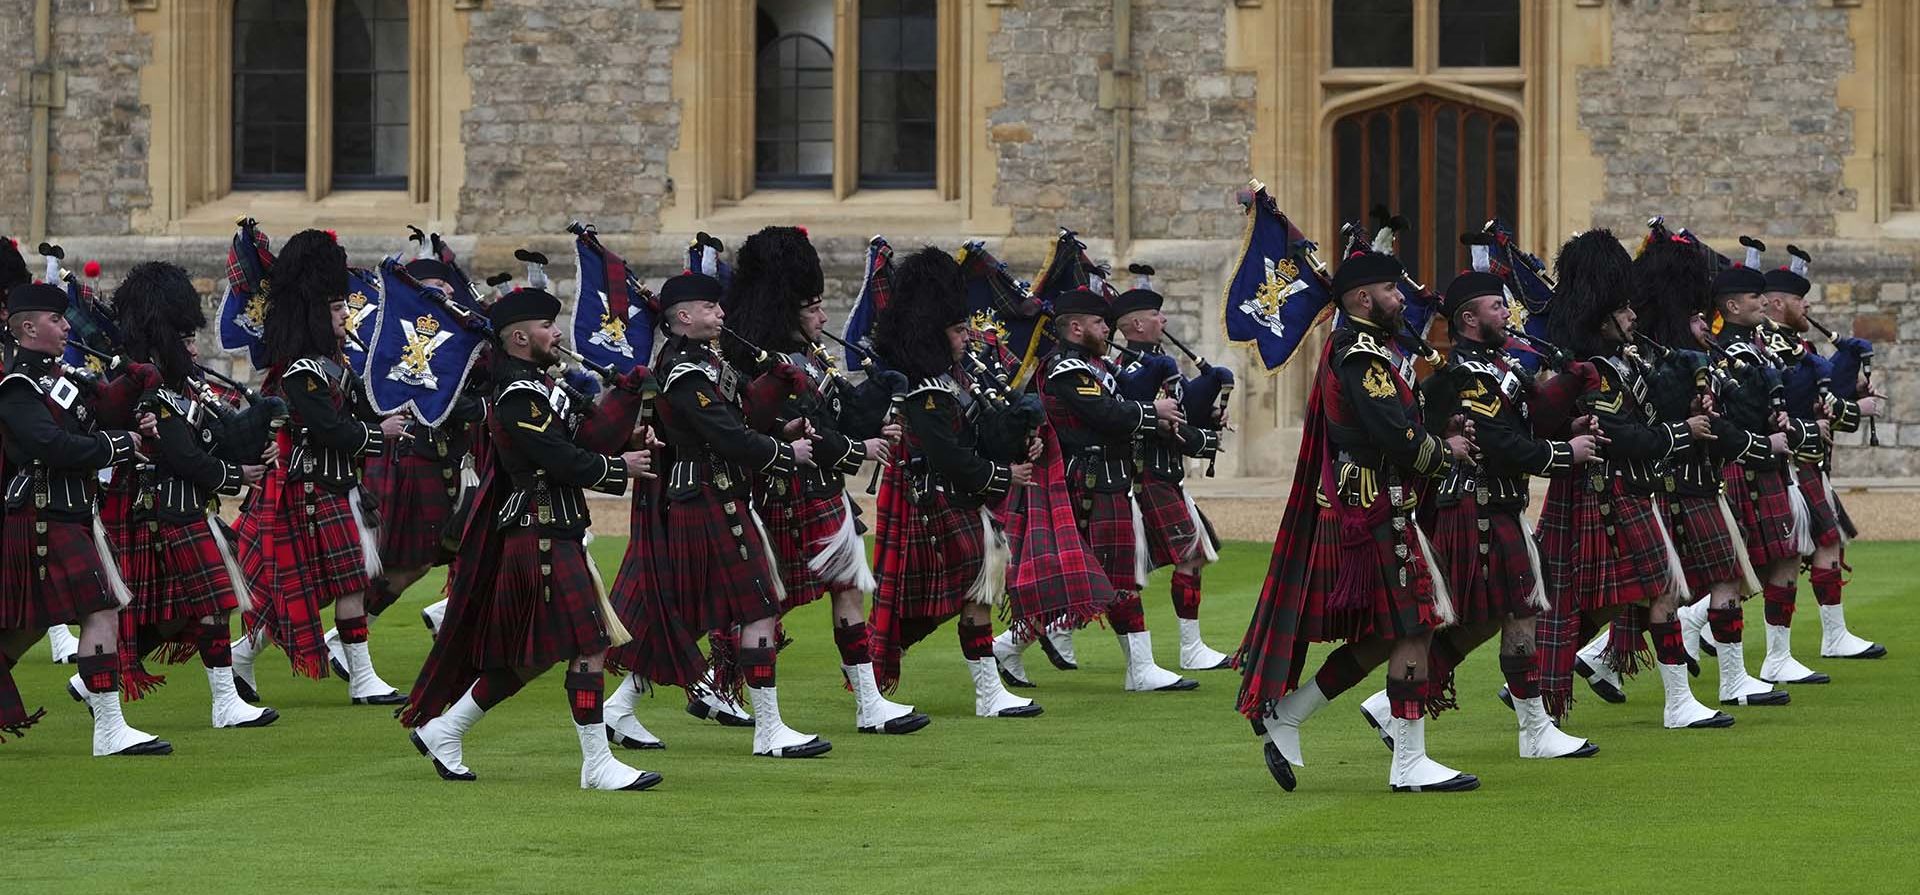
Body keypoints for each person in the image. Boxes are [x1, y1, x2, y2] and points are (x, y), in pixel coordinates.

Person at [401, 285, 660, 790]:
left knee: (533, 656)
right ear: (519, 338)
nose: (557, 333)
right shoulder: (518, 395)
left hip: (553, 530)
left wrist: (626, 419)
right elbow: (560, 459)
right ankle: (597, 764)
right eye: (547, 326)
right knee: (590, 644)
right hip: (539, 534)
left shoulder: (539, 386)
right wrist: (619, 468)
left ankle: (444, 731)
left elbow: (581, 439)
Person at [1238, 249, 1476, 792]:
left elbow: (1399, 421)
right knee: (1415, 625)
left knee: (1385, 634)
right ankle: (1409, 763)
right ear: (1364, 298)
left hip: (1380, 504)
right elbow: (1394, 434)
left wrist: (1440, 424)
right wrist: (1447, 452)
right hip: (1375, 509)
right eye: (1392, 290)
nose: (1402, 298)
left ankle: (1288, 714)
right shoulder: (1362, 357)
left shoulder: (1366, 349)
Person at [1354, 265, 1606, 756]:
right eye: (1497, 306)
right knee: (1521, 612)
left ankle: (1389, 704)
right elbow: (1501, 445)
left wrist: (1568, 422)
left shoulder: (1498, 368)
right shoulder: (1467, 376)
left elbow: (1523, 429)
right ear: (1469, 319)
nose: (1507, 313)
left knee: (1481, 621)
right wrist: (1565, 454)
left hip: (1496, 504)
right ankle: (1535, 731)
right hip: (1480, 506)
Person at [704, 225, 926, 736]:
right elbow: (801, 429)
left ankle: (869, 703)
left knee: (848, 590)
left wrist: (879, 399)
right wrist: (859, 450)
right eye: (814, 308)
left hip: (824, 494)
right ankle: (699, 685)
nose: (824, 318)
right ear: (789, 311)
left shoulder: (811, 356)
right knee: (762, 607)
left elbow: (841, 415)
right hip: (784, 496)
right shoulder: (769, 366)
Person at [1527, 230, 1735, 731]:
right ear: (1603, 317)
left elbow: (1646, 412)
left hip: (1631, 490)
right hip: (1606, 491)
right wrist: (1682, 432)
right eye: (1622, 309)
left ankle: (1538, 685)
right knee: (1645, 592)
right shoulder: (1593, 370)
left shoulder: (1623, 360)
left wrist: (1689, 405)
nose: (1633, 315)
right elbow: (1621, 435)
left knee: (1619, 600)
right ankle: (1674, 704)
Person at [652, 271, 829, 757]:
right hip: (709, 496)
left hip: (721, 493)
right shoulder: (684, 371)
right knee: (759, 606)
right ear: (684, 315)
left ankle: (619, 707)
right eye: (711, 307)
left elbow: (740, 416)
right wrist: (786, 453)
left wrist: (780, 421)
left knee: (691, 615)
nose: (721, 314)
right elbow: (727, 436)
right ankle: (769, 731)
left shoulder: (706, 361)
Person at [230, 229, 410, 704]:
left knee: (342, 584)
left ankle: (243, 658)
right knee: (318, 587)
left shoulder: (336, 364)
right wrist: (380, 433)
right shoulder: (302, 372)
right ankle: (355, 678)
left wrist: (394, 405)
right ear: (314, 313)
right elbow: (331, 429)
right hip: (309, 490)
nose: (345, 314)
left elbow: (359, 412)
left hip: (336, 487)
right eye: (335, 308)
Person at [97, 261, 279, 730]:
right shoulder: (147, 388)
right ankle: (224, 704)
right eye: (185, 339)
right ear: (163, 338)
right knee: (214, 602)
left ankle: (93, 675)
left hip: (181, 508)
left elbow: (212, 439)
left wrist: (257, 436)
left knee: (172, 616)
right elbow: (183, 456)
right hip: (162, 510)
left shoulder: (181, 386)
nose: (194, 348)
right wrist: (236, 476)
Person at [868, 247, 1043, 719]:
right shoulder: (925, 390)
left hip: (957, 502)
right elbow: (949, 455)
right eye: (959, 329)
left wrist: (1019, 437)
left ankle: (987, 694)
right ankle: (870, 668)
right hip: (934, 503)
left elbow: (979, 436)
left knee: (971, 593)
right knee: (951, 598)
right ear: (934, 332)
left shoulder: (952, 380)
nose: (969, 337)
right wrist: (1005, 475)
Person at [0, 281, 167, 755]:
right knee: (101, 608)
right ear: (28, 328)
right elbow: (51, 445)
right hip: (41, 515)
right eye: (56, 320)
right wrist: (116, 445)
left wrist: (133, 394)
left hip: (69, 514)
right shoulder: (17, 388)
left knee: (23, 631)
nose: (66, 327)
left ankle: (110, 729)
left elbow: (98, 415)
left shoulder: (61, 379)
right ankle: (109, 731)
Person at [1028, 284, 1197, 693]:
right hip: (1091, 480)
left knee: (1102, 575)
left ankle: (1008, 646)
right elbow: (1105, 414)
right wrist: (1151, 411)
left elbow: (1119, 407)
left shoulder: (1093, 366)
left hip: (1109, 478)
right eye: (1099, 322)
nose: (1107, 329)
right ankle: (1140, 669)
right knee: (1113, 575)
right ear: (1075, 327)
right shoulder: (1067, 369)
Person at [1754, 250, 1885, 660]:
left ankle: (1834, 636)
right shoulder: (1769, 345)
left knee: (1827, 542)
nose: (1807, 306)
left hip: (1806, 459)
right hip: (1786, 461)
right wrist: (1855, 408)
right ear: (1778, 303)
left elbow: (1820, 399)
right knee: (1753, 566)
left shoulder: (1797, 345)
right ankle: (1695, 625)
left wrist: (1849, 389)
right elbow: (1801, 403)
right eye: (1799, 299)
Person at [1104, 268, 1232, 671]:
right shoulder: (1128, 370)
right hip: (1144, 478)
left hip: (1164, 476)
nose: (1163, 320)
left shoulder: (1158, 363)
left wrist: (1210, 407)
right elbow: (1144, 419)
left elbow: (1183, 410)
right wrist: (1194, 436)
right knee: (1174, 559)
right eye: (1155, 315)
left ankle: (1191, 649)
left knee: (1184, 556)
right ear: (1137, 325)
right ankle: (1190, 651)